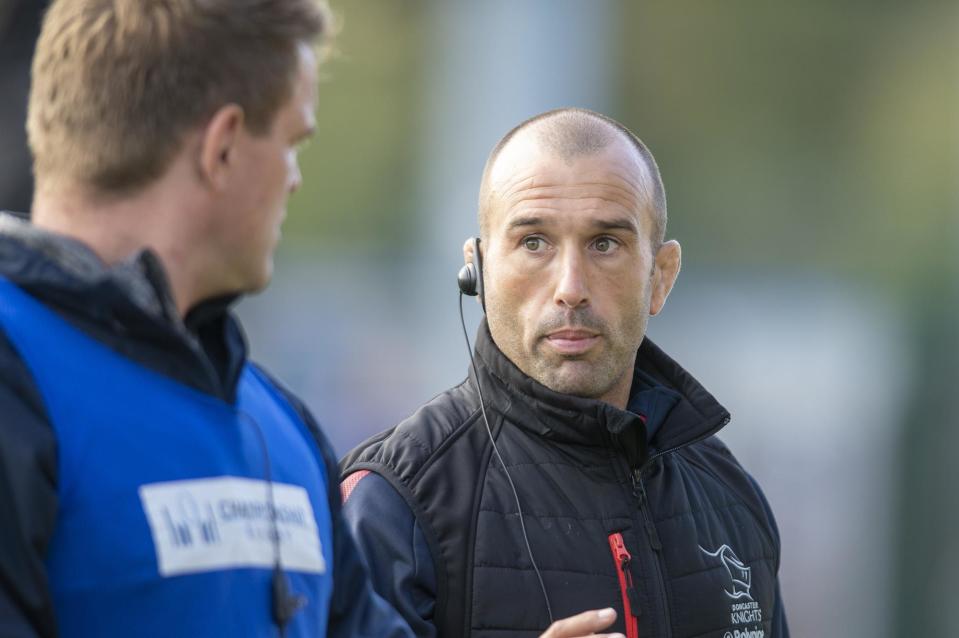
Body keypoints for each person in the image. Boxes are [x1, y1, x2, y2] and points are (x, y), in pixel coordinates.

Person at [0, 1, 415, 636]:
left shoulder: (282, 426)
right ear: (221, 147)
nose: (295, 178)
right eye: (292, 142)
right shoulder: (17, 378)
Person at [341, 108, 790, 637]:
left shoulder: (730, 496)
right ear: (478, 272)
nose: (570, 286)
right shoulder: (395, 500)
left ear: (660, 277)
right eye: (534, 242)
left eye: (605, 243)